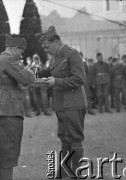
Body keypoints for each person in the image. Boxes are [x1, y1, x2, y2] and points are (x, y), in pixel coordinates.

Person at [35, 26, 87, 179]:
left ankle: (76, 174)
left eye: (47, 46)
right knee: (64, 138)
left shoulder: (72, 55)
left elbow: (79, 79)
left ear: (56, 41)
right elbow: (53, 75)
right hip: (61, 104)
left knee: (74, 139)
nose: (46, 50)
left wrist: (55, 81)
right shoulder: (55, 58)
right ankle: (64, 171)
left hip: (73, 103)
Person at [0, 34, 35, 180]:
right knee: (8, 150)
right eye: (20, 52)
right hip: (8, 110)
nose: (20, 56)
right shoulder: (8, 59)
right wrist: (29, 70)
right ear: (15, 49)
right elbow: (28, 78)